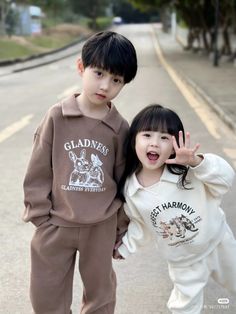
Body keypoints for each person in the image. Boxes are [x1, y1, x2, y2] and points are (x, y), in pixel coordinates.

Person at [23, 30, 137, 314]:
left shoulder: (119, 128)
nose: (105, 85)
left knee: (101, 297)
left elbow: (124, 180)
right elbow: (39, 167)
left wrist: (119, 225)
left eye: (116, 80)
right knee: (46, 297)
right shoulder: (57, 116)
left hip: (100, 226)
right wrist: (40, 216)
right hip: (56, 224)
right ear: (80, 68)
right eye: (98, 73)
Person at [114, 104, 236, 314]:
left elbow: (225, 179)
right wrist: (125, 247)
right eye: (147, 135)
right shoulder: (132, 190)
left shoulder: (188, 172)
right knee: (184, 306)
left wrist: (196, 162)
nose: (155, 143)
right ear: (134, 139)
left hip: (218, 242)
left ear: (175, 144)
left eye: (164, 137)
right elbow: (141, 225)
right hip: (183, 261)